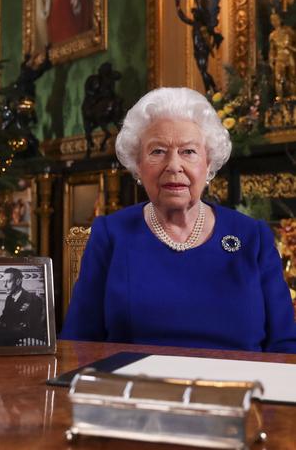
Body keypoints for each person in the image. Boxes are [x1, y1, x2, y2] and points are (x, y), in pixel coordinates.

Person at [61, 87, 296, 353]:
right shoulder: (111, 234)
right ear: (138, 165)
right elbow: (77, 342)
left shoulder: (253, 237)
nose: (174, 165)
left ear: (208, 165)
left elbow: (285, 345)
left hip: (237, 391)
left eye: (188, 152)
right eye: (158, 151)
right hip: (134, 389)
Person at [0, 267, 44, 345]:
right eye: (4, 281)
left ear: (18, 281)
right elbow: (4, 316)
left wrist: (3, 326)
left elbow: (29, 326)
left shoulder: (33, 300)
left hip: (24, 341)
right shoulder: (9, 298)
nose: (4, 285)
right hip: (10, 336)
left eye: (8, 281)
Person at [268, 11, 296, 100]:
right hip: (279, 58)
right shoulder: (272, 35)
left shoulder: (289, 32)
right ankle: (280, 99)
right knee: (278, 78)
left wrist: (290, 47)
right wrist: (271, 60)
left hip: (289, 56)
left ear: (280, 19)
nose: (274, 22)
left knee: (292, 77)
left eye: (276, 19)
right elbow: (272, 50)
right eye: (272, 20)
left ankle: (293, 97)